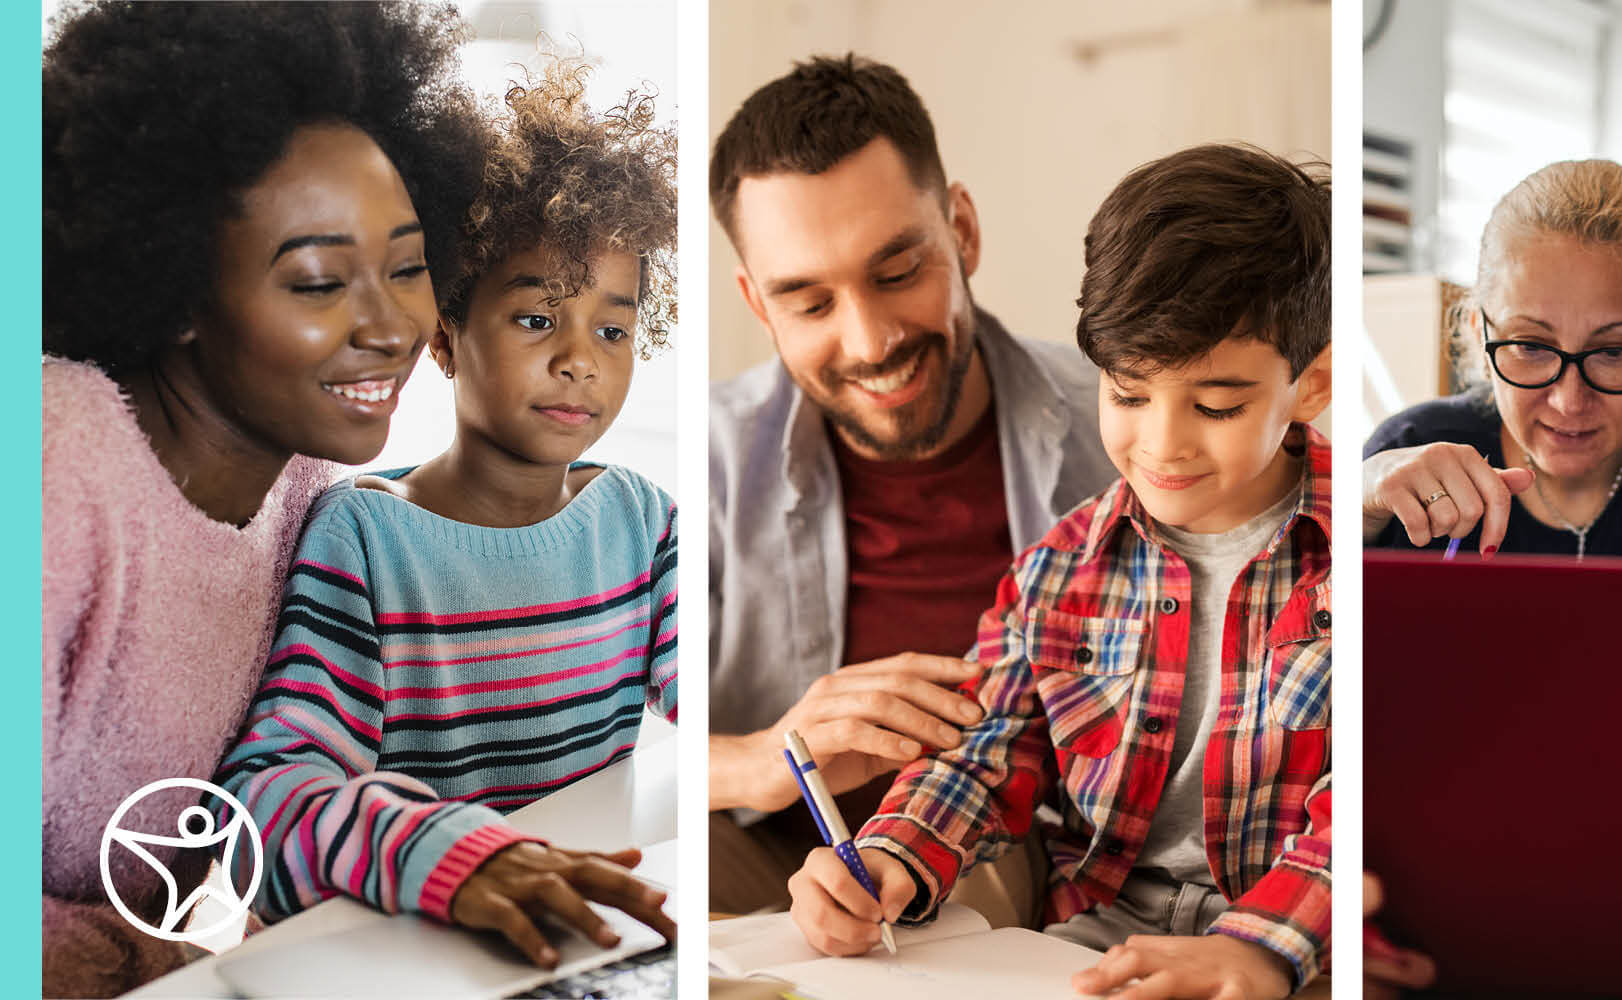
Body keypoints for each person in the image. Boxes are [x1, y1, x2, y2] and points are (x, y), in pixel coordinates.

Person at [787, 143, 1332, 1000]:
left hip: (1294, 956)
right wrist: (893, 853)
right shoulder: (1057, 570)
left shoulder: (1362, 559)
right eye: (1127, 393)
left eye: (1217, 405)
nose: (1162, 444)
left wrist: (1261, 950)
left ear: (1313, 384)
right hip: (1086, 953)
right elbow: (988, 752)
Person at [40, 5, 485, 994]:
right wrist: (182, 959)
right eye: (321, 283)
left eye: (408, 267)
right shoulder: (52, 464)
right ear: (179, 291)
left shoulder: (304, 493)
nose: (391, 324)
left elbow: (285, 793)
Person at [212, 65, 680, 967]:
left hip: (581, 945)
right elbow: (263, 805)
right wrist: (447, 853)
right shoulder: (366, 539)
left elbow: (723, 705)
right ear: (444, 335)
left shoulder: (642, 524)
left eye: (613, 331)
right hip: (418, 948)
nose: (581, 360)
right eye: (539, 318)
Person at [706, 54, 1117, 913]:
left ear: (961, 230)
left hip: (1018, 865)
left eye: (897, 273)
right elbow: (594, 733)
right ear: (756, 304)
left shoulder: (1126, 428)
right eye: (810, 304)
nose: (869, 341)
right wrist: (769, 756)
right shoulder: (706, 463)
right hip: (764, 864)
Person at [1363, 160, 1622, 560]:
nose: (1570, 402)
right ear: (1480, 334)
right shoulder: (1411, 453)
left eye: (1613, 352)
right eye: (1531, 346)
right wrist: (1355, 519)